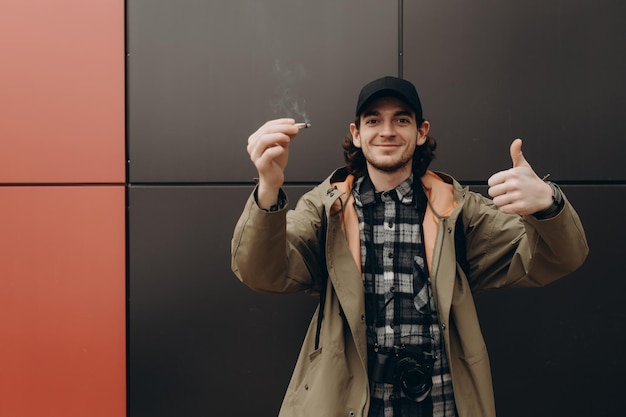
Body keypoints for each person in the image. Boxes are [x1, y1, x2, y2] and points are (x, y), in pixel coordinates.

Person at [231, 76, 588, 417]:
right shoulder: (325, 210)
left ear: (421, 132)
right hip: (351, 403)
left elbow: (559, 257)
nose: (387, 131)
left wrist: (548, 204)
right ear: (357, 134)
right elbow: (263, 271)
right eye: (373, 120)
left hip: (440, 403)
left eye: (401, 120)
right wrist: (268, 187)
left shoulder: (459, 210)